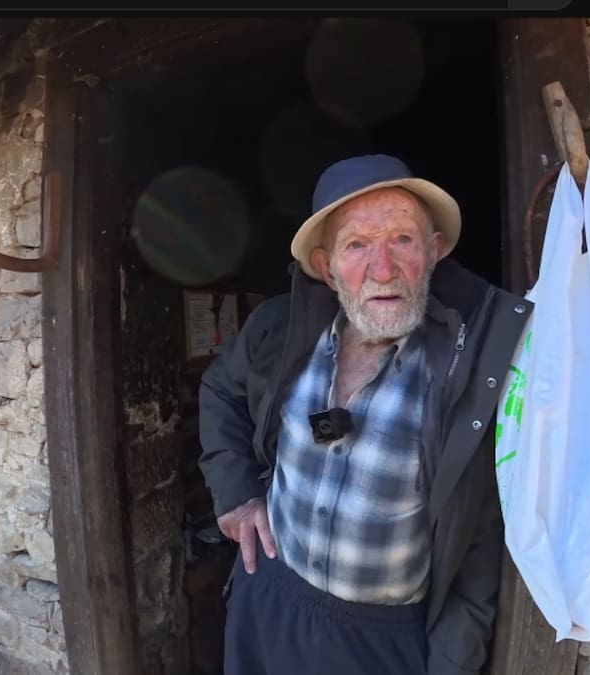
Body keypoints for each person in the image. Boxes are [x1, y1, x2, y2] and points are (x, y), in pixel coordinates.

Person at [198, 154, 532, 675]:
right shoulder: (278, 332)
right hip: (267, 601)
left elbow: (478, 546)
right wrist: (236, 493)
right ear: (327, 269)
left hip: (381, 644)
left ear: (434, 251)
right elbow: (220, 387)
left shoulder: (470, 373)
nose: (382, 269)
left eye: (402, 239)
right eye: (356, 245)